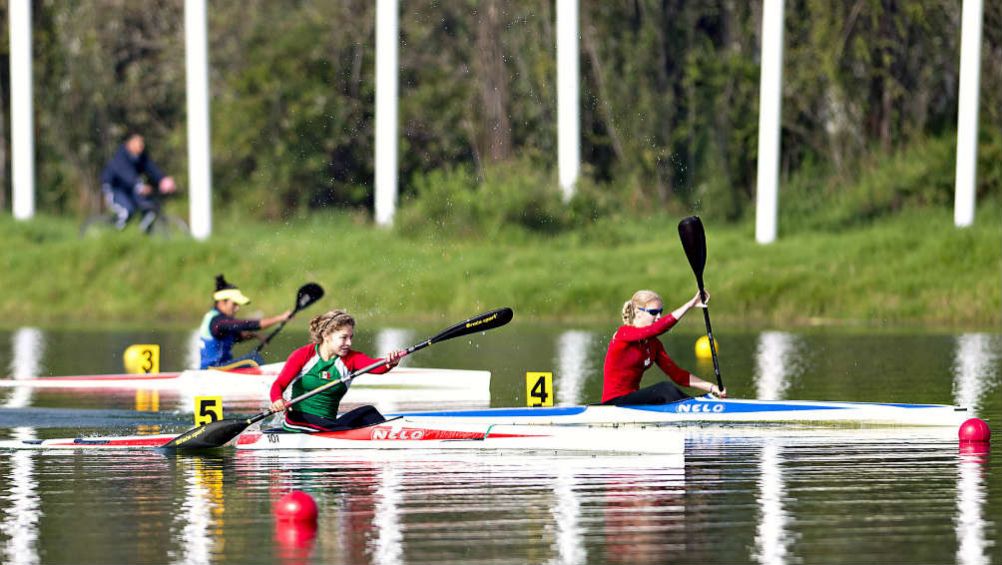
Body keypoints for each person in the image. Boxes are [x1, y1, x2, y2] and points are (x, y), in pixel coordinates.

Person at [268, 309, 407, 432]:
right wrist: (277, 400)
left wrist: (390, 362)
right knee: (340, 430)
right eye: (344, 337)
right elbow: (279, 384)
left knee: (369, 412)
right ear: (326, 336)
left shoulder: (351, 358)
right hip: (298, 420)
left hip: (328, 423)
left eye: (351, 337)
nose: (349, 343)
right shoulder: (303, 355)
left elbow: (377, 367)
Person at [601, 289, 726, 405]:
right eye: (654, 312)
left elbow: (678, 375)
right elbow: (658, 328)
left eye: (660, 312)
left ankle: (697, 405)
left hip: (632, 402)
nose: (659, 317)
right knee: (665, 389)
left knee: (666, 391)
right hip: (613, 403)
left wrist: (712, 387)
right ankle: (694, 407)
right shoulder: (623, 334)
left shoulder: (654, 344)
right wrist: (689, 305)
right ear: (638, 312)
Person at [198, 274, 292, 369]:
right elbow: (248, 325)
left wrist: (255, 336)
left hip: (218, 368)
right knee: (253, 360)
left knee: (253, 355)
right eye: (234, 304)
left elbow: (237, 336)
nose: (237, 308)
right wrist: (280, 318)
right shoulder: (218, 321)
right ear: (222, 302)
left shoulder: (215, 319)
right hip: (213, 369)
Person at [100, 133, 177, 231]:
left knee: (150, 208)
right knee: (127, 211)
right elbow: (126, 174)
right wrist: (138, 185)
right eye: (139, 142)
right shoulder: (120, 156)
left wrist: (163, 179)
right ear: (129, 143)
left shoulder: (141, 156)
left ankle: (143, 234)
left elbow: (151, 168)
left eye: (142, 142)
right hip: (115, 188)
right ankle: (113, 236)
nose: (142, 145)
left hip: (131, 188)